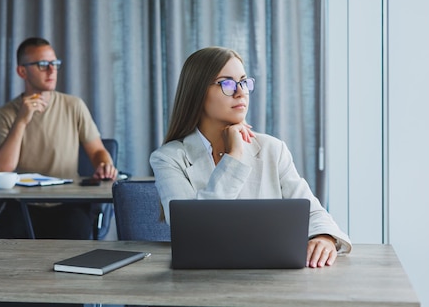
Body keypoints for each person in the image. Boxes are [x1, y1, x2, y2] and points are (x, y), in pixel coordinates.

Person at [150, 46, 352, 268]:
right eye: (226, 83)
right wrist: (234, 157)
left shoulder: (273, 149)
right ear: (197, 92)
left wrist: (324, 238)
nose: (240, 92)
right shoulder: (168, 158)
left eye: (244, 82)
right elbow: (193, 230)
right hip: (199, 279)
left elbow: (313, 211)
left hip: (269, 277)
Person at [0, 37, 117, 239]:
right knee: (7, 239)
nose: (51, 70)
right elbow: (1, 169)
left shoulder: (73, 105)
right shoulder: (6, 113)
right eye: (42, 65)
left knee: (76, 236)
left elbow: (98, 151)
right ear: (22, 71)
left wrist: (105, 164)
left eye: (55, 64)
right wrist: (22, 121)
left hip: (67, 202)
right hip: (22, 204)